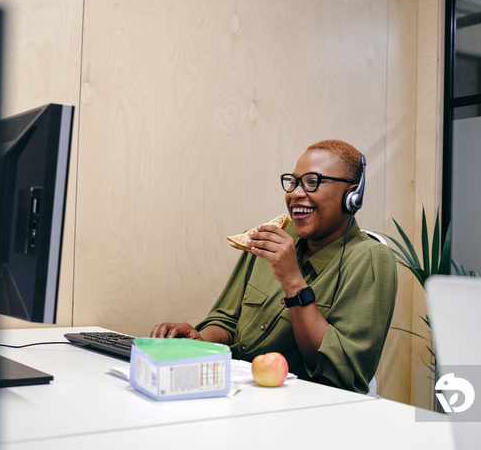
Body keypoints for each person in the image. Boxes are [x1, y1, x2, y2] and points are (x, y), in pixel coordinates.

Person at [150, 140, 397, 394]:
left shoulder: (370, 259)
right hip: (237, 393)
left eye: (312, 182)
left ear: (351, 196)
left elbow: (342, 370)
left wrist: (292, 280)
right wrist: (200, 340)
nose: (295, 193)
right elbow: (227, 320)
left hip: (307, 409)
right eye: (294, 182)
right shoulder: (275, 236)